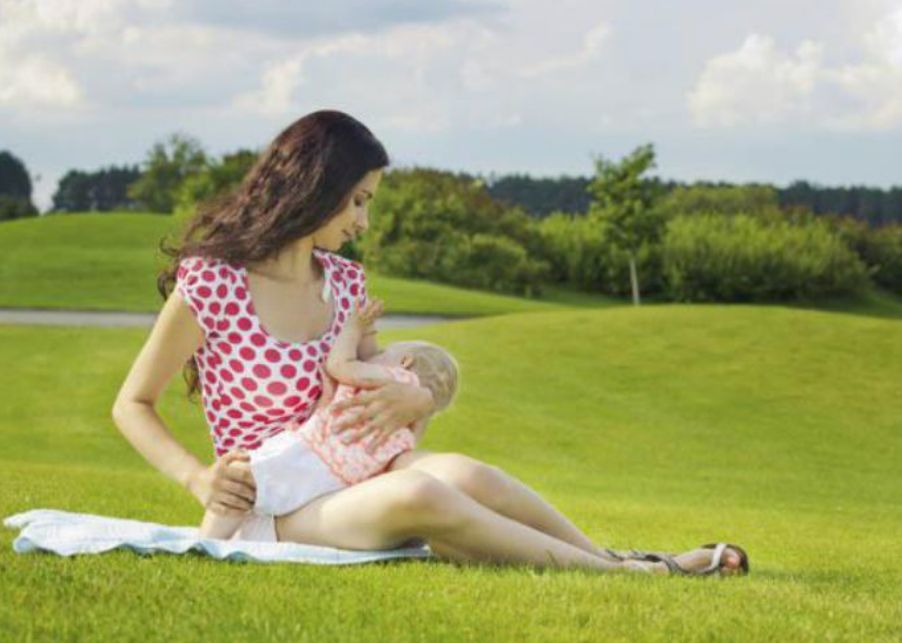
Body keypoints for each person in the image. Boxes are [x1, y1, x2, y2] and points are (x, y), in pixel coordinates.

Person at [111, 109, 749, 576]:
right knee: (422, 495)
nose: (363, 221)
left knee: (468, 474)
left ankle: (617, 557)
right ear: (314, 187)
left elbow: (376, 397)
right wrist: (199, 480)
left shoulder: (344, 281)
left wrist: (416, 403)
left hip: (352, 478)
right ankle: (627, 578)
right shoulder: (213, 283)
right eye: (357, 201)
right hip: (271, 508)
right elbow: (133, 403)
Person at [197, 294, 460, 541]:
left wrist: (353, 328)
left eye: (381, 354)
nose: (374, 357)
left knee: (240, 479)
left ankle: (206, 542)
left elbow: (339, 365)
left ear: (404, 362)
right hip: (335, 488)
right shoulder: (405, 432)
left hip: (309, 457)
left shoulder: (396, 380)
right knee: (260, 498)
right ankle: (231, 538)